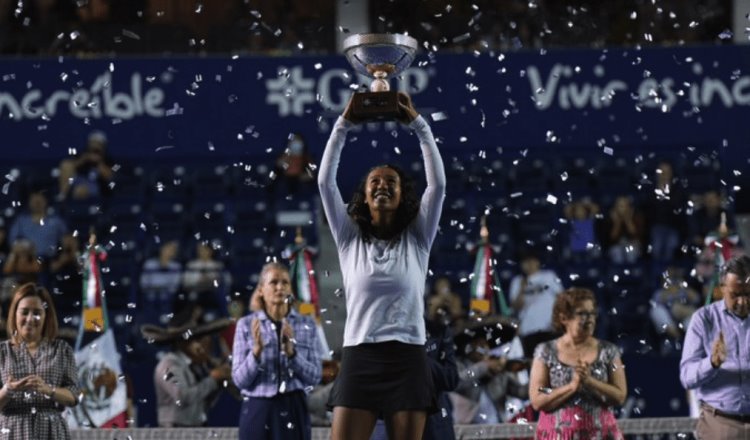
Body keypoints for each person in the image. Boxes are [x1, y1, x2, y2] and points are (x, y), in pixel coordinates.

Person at [318, 92, 446, 440]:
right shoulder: (348, 238)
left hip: (408, 357)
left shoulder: (418, 238)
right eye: (375, 181)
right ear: (364, 195)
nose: (382, 186)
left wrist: (419, 125)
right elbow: (325, 183)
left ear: (404, 195)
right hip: (360, 355)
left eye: (391, 182)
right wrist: (343, 125)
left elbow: (438, 185)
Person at [232, 262, 322, 440]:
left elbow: (315, 377)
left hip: (294, 407)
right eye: (273, 282)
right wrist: (256, 353)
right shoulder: (245, 325)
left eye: (285, 282)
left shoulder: (307, 324)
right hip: (258, 408)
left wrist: (292, 354)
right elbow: (239, 381)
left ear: (291, 289)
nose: (280, 287)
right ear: (261, 290)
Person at [529, 288, 626, 440]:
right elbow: (538, 396)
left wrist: (590, 382)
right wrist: (570, 387)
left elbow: (619, 395)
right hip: (555, 436)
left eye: (592, 313)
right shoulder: (545, 351)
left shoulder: (609, 351)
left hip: (602, 435)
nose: (590, 319)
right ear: (564, 318)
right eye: (582, 313)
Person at [680, 255, 750, 439]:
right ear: (721, 290)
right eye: (735, 295)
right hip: (718, 425)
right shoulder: (703, 320)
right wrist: (712, 362)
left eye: (748, 294)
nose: (743, 302)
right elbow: (687, 377)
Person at [0, 283, 80, 439]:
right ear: (14, 314)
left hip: (52, 432)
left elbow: (74, 396)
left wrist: (49, 390)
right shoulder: (2, 352)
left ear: (46, 316)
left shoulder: (62, 350)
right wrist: (8, 389)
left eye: (37, 313)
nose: (30, 319)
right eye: (24, 312)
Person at [141, 305, 233, 427]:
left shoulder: (193, 366)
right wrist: (213, 379)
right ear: (182, 343)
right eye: (196, 340)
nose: (201, 345)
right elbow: (182, 397)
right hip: (175, 430)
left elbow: (201, 402)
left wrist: (218, 383)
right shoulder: (168, 365)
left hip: (196, 427)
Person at [371, 316, 459, 440]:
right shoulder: (377, 330)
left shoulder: (437, 329)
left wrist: (418, 357)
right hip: (389, 421)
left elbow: (451, 379)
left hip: (434, 426)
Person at [508, 248, 564, 357]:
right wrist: (522, 288)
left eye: (531, 260)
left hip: (549, 328)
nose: (529, 264)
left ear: (537, 261)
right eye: (525, 262)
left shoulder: (549, 275)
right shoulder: (517, 281)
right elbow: (516, 307)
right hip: (529, 330)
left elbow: (561, 298)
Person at [8, 191, 67, 259]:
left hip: (51, 261)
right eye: (34, 201)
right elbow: (12, 241)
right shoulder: (20, 221)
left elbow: (67, 240)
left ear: (45, 202)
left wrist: (60, 260)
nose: (36, 204)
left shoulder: (56, 221)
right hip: (27, 261)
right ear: (29, 203)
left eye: (39, 202)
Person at [58, 130, 114, 200]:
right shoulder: (82, 155)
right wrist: (83, 159)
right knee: (65, 164)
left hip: (95, 184)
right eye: (93, 142)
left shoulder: (108, 159)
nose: (95, 146)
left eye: (98, 143)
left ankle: (68, 205)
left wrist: (99, 162)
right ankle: (62, 196)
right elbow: (71, 167)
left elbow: (109, 177)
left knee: (81, 190)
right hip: (77, 179)